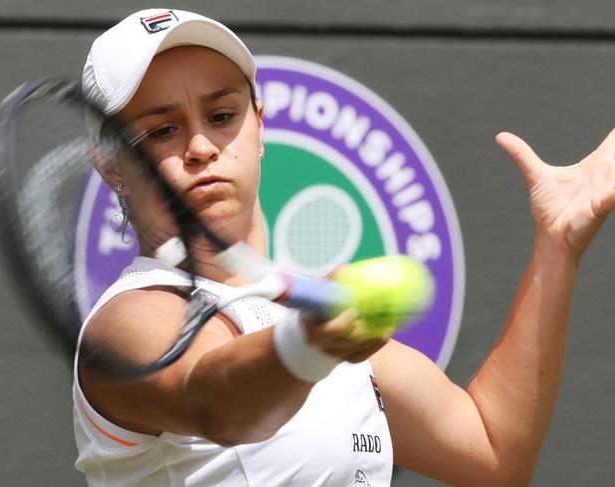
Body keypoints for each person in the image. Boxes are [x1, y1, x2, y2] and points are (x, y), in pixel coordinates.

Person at [73, 8, 615, 487]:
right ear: (110, 163)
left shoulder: (311, 320)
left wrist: (557, 243)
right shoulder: (126, 324)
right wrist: (311, 342)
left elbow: (494, 455)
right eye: (162, 130)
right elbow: (212, 401)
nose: (199, 147)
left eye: (221, 117)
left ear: (259, 126)